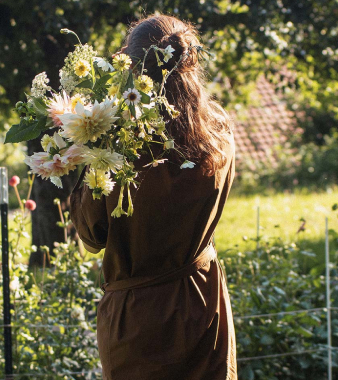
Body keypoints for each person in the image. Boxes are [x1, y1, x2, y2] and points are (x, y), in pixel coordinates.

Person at [69, 14, 238, 380]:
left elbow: (91, 236)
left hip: (136, 321)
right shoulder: (218, 132)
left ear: (131, 66)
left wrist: (86, 156)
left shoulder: (117, 149)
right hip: (202, 303)